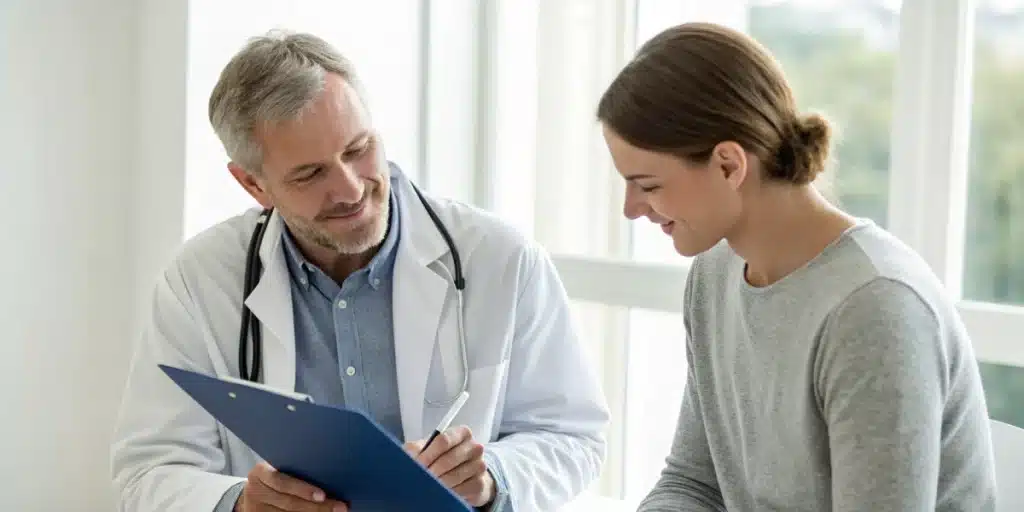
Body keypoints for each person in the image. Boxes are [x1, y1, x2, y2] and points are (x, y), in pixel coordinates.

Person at [110, 30, 609, 512]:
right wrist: (238, 503)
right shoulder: (199, 282)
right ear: (253, 185)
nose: (349, 189)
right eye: (310, 174)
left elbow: (574, 437)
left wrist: (493, 477)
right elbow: (150, 470)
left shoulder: (501, 259)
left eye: (358, 149)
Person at [596, 22, 997, 511]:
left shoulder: (876, 308)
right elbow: (694, 484)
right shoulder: (716, 273)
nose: (632, 208)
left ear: (728, 165)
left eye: (649, 185)